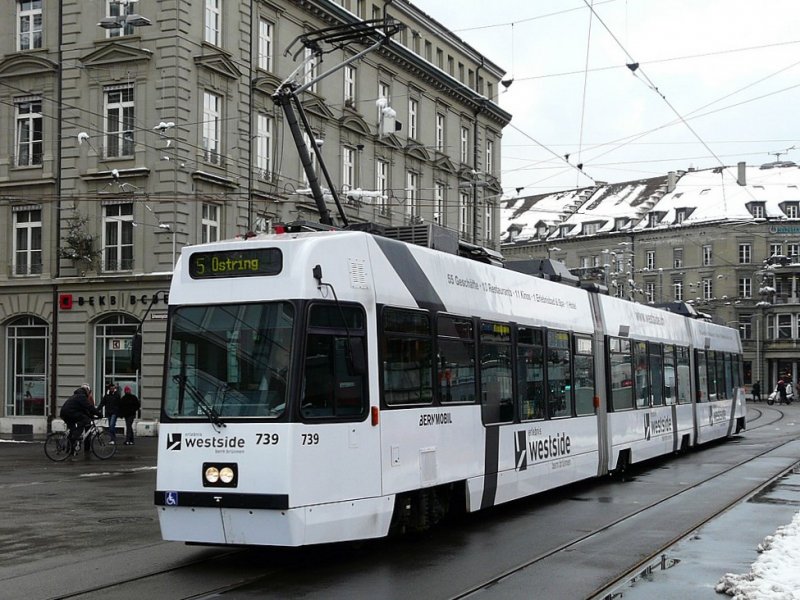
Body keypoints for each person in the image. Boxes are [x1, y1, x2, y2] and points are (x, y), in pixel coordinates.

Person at [59, 384, 101, 454]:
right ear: (86, 390)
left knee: (72, 430)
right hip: (69, 413)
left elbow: (84, 410)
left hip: (65, 413)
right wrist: (99, 414)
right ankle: (75, 438)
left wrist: (91, 416)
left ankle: (71, 450)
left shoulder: (77, 395)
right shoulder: (82, 396)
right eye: (89, 391)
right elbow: (89, 407)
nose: (89, 392)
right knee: (85, 421)